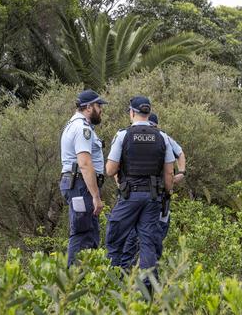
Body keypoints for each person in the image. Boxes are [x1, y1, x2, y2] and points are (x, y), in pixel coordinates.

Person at [104, 96, 174, 281]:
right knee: (148, 244)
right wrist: (166, 194)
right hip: (152, 198)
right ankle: (148, 290)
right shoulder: (162, 137)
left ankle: (113, 283)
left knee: (115, 238)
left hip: (129, 196)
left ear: (132, 112)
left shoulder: (123, 135)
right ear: (149, 113)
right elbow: (169, 174)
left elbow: (110, 170)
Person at [119, 112, 186, 267]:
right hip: (154, 196)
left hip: (149, 196)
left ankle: (133, 273)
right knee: (148, 239)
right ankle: (144, 275)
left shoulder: (159, 137)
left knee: (144, 237)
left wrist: (181, 173)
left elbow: (180, 153)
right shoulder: (159, 137)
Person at [59, 89, 107, 267]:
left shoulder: (76, 126)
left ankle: (87, 282)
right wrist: (95, 196)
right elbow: (85, 164)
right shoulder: (82, 128)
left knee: (91, 233)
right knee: (82, 233)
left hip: (78, 184)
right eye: (98, 105)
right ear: (88, 107)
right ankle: (73, 282)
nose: (101, 109)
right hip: (80, 184)